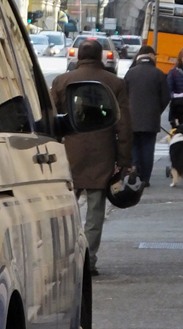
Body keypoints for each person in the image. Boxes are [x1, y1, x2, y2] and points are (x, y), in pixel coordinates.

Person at [51, 39, 133, 276]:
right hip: (102, 153)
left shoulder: (61, 81)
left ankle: (63, 260)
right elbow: (124, 125)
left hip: (69, 152)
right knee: (96, 211)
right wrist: (124, 160)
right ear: (101, 56)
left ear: (78, 56)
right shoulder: (115, 83)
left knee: (65, 209)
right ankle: (88, 261)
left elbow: (50, 115)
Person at [124, 44, 170, 188]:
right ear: (150, 56)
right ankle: (145, 179)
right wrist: (157, 110)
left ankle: (134, 166)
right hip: (151, 119)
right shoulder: (159, 73)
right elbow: (166, 97)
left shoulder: (130, 73)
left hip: (132, 119)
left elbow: (123, 96)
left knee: (134, 146)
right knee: (148, 149)